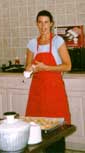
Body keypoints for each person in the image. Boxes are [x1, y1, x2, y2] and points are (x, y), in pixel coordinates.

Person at [25, 10, 71, 153]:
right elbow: (27, 69)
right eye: (40, 22)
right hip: (37, 92)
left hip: (54, 91)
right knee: (37, 130)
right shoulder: (32, 43)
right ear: (36, 24)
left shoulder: (58, 41)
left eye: (46, 22)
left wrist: (46, 67)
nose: (43, 26)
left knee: (56, 130)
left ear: (51, 24)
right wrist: (31, 70)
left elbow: (67, 66)